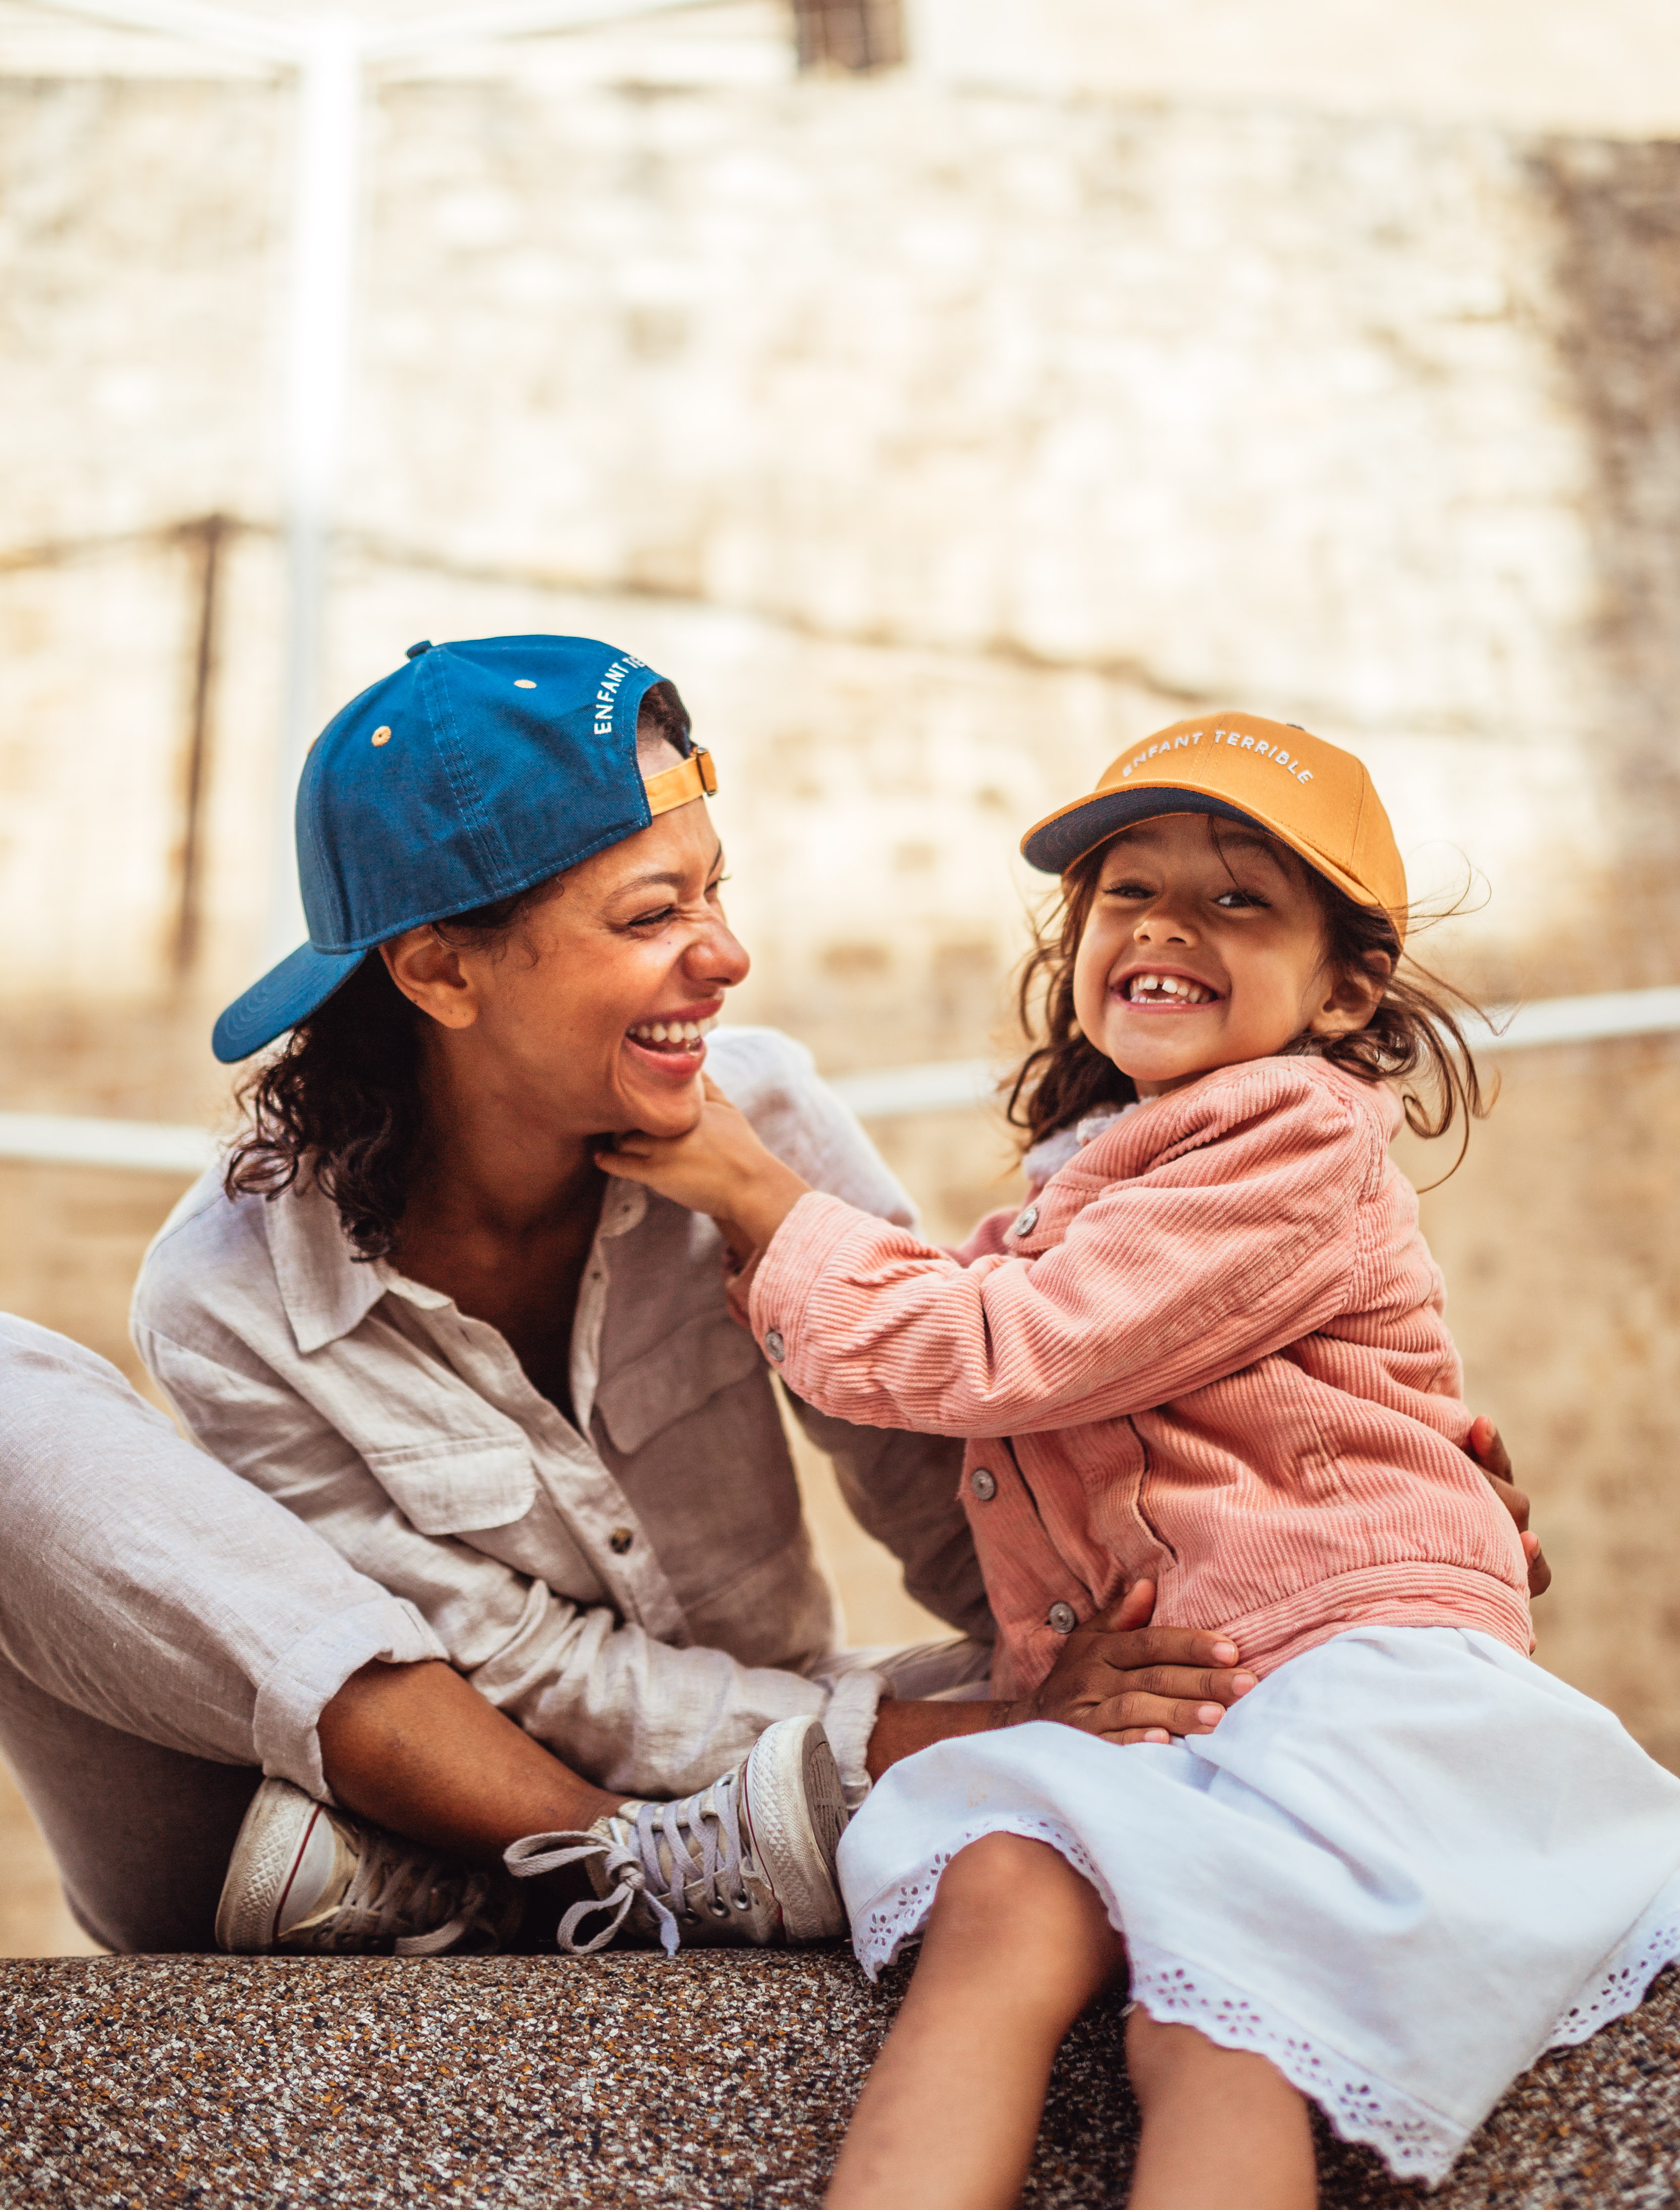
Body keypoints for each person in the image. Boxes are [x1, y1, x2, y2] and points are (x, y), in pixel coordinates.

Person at [594, 711, 1680, 2207]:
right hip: (1202, 1703)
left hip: (1341, 1682)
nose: (1167, 925)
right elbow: (987, 1345)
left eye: (1239, 898)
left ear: (1346, 984)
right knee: (996, 1901)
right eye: (1130, 890)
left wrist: (761, 1196)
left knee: (1214, 2018)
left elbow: (997, 1348)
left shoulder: (1299, 1132)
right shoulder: (1109, 1170)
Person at [107, 632, 1271, 1958]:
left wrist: (1322, 1535)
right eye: (653, 915)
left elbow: (968, 1501)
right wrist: (923, 1739)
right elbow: (519, 1669)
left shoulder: (758, 1114)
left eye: (715, 891)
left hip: (814, 1740)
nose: (727, 956)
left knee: (1229, 1743)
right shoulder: (231, 1302)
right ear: (438, 970)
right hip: (514, 1799)